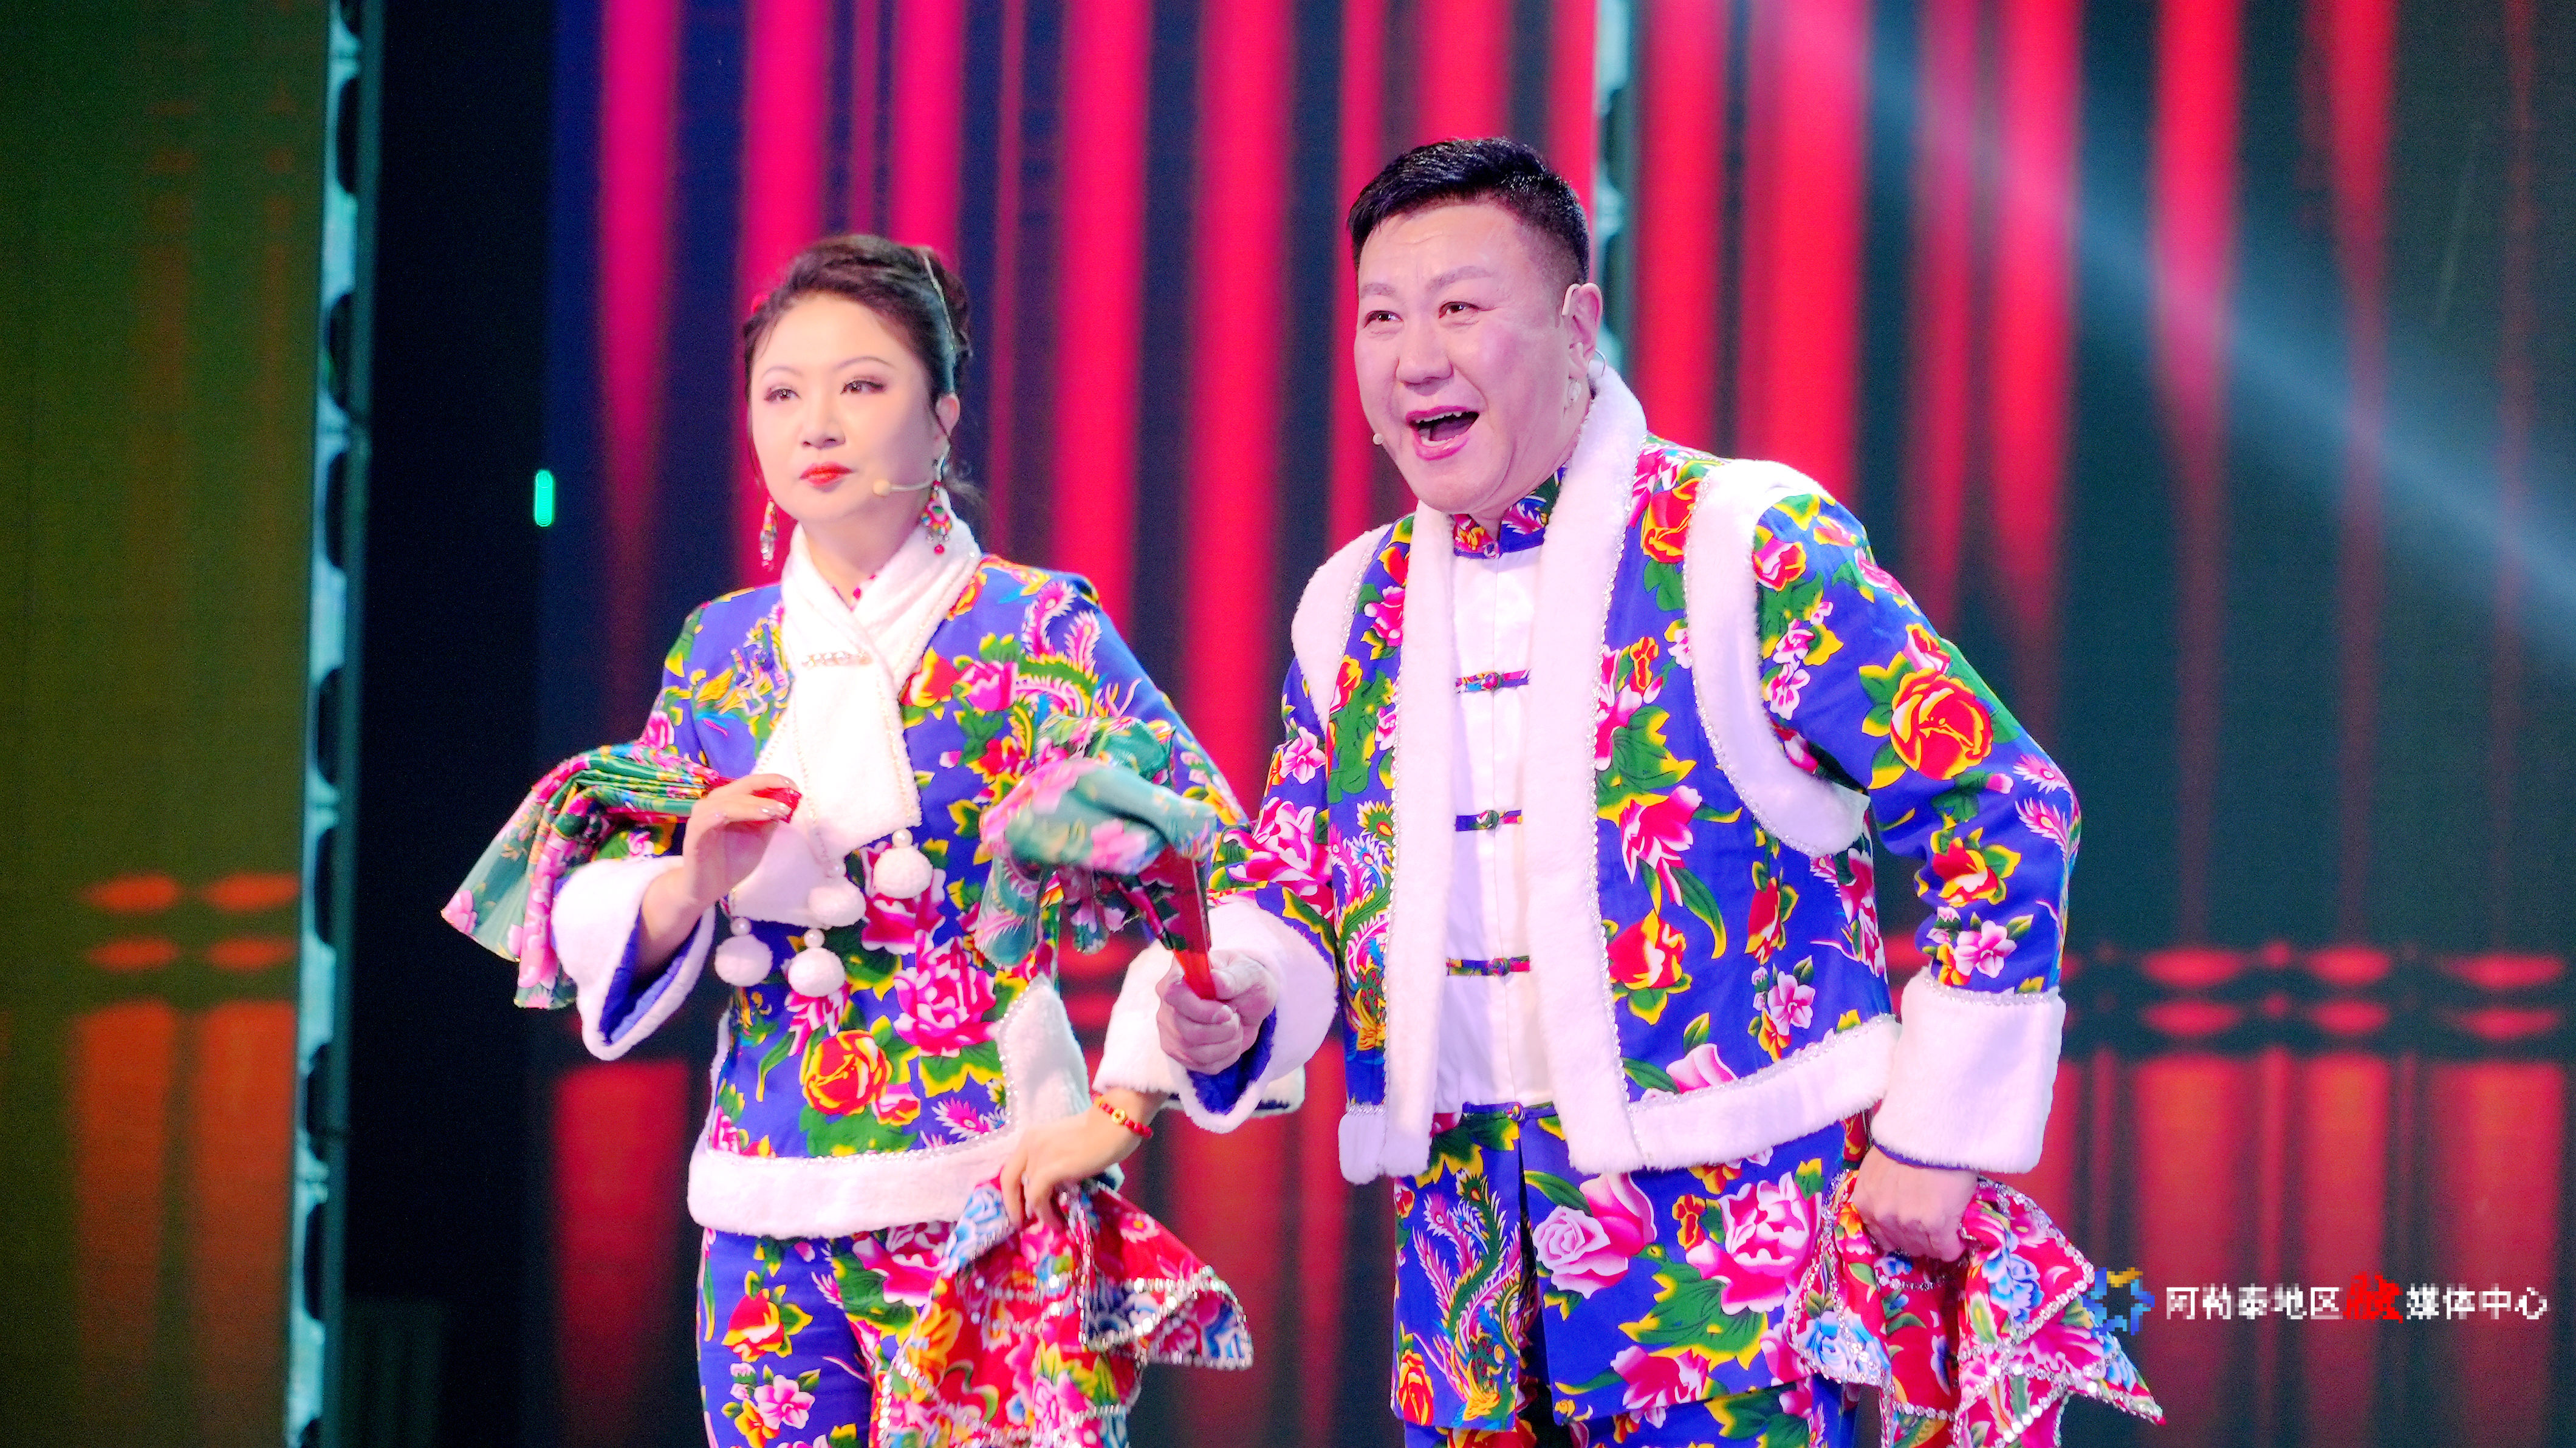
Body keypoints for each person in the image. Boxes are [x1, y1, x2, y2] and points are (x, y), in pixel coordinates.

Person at [1077, 139, 2079, 1446]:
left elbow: (2004, 804)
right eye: (1381, 318)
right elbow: (1296, 887)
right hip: (1466, 1295)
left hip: (1740, 1283)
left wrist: (1936, 1134)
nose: (1414, 358)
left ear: (1574, 323)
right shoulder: (1350, 605)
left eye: (1459, 307)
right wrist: (1246, 998)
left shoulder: (1739, 542)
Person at [445, 234, 1256, 1447]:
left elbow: (1215, 867)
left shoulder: (1037, 625)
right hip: (761, 1207)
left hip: (993, 1188)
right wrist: (688, 880)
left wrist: (1122, 1106)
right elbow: (625, 897)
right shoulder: (719, 648)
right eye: (781, 393)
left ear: (942, 420)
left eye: (861, 385)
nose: (814, 423)